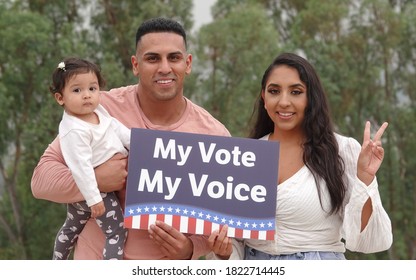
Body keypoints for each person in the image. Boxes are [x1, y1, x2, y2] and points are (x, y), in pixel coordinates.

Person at [31, 17, 230, 260]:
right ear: (136, 65)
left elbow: (220, 226)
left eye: (174, 58)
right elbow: (40, 181)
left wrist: (191, 249)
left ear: (187, 64)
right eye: (153, 58)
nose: (165, 68)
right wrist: (96, 180)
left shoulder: (215, 135)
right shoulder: (98, 109)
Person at [207, 52, 393, 260]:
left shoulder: (340, 149)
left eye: (296, 92)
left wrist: (364, 178)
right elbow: (233, 238)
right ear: (263, 96)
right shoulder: (246, 157)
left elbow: (365, 240)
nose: (284, 102)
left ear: (310, 97)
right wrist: (223, 254)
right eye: (274, 91)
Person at [49, 57, 129, 260]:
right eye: (77, 90)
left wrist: (140, 144)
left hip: (88, 194)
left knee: (72, 226)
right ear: (60, 98)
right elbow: (81, 168)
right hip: (96, 192)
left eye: (92, 89)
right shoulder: (74, 130)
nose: (87, 96)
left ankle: (57, 261)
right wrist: (94, 198)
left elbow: (117, 129)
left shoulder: (98, 112)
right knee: (116, 232)